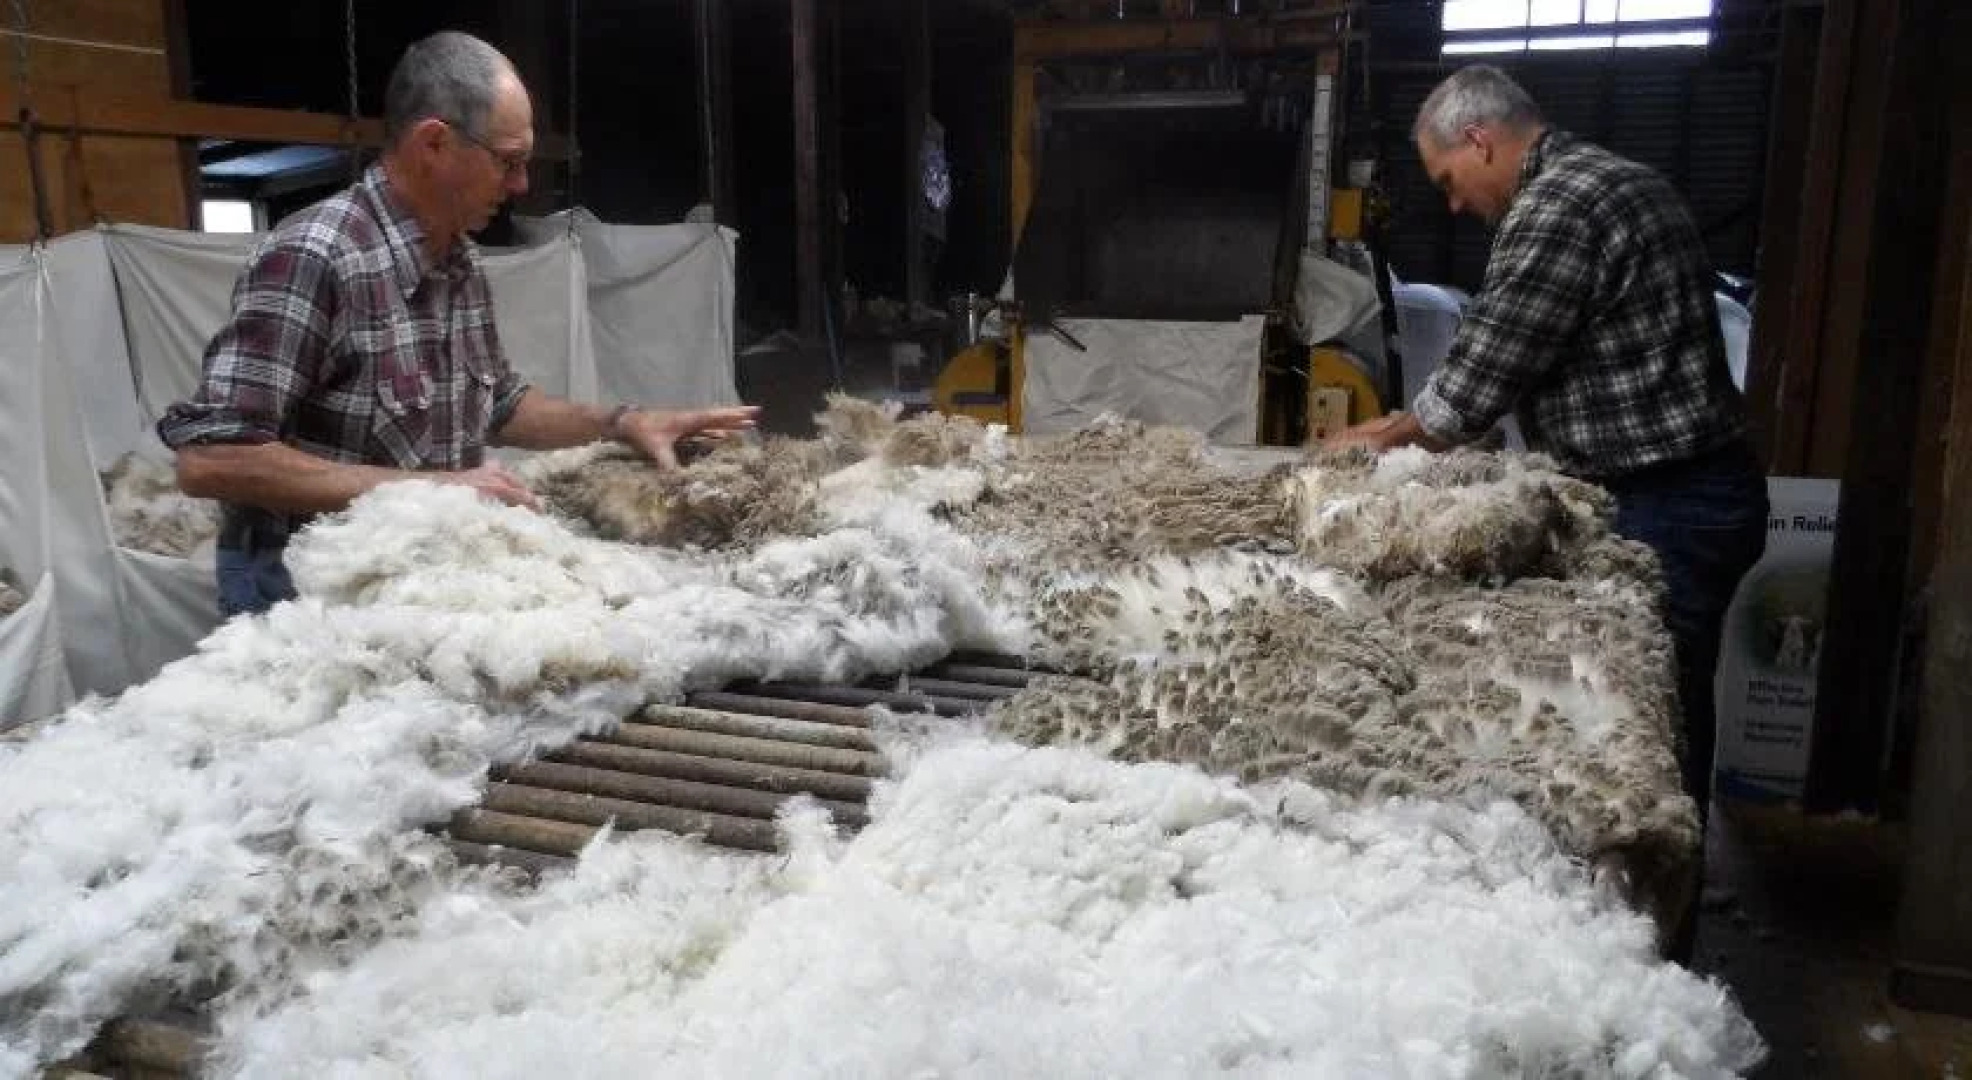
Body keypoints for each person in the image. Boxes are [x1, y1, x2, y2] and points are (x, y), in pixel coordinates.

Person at [159, 32, 757, 616]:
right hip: (310, 587)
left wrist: (623, 422)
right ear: (434, 144)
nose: (521, 185)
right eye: (508, 162)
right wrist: (436, 490)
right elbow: (213, 459)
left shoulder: (456, 260)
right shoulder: (314, 257)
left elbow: (499, 404)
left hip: (416, 574)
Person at [1326, 65, 1768, 831]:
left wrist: (1368, 441)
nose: (1454, 205)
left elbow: (1468, 396)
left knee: (1645, 723)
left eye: (1449, 181)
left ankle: (1654, 872)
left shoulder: (1558, 208)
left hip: (1667, 502)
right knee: (1657, 706)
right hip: (1685, 492)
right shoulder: (1613, 179)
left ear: (1479, 140)